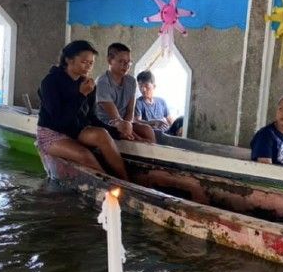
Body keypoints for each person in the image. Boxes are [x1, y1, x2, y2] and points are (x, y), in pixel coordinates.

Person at [36, 40, 128, 180]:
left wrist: (117, 132)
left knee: (102, 134)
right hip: (53, 133)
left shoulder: (87, 84)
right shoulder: (50, 82)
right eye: (84, 62)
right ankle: (109, 185)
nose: (88, 67)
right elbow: (58, 121)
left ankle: (125, 181)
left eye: (91, 63)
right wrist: (81, 95)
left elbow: (92, 118)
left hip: (75, 130)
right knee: (85, 155)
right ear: (69, 60)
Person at [95, 43, 156, 143]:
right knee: (133, 135)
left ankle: (153, 157)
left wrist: (129, 127)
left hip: (126, 123)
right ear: (110, 60)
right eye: (122, 62)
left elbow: (130, 112)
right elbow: (115, 117)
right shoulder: (102, 82)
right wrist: (138, 138)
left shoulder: (131, 81)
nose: (126, 66)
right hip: (108, 123)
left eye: (129, 63)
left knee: (147, 130)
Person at [134, 70, 184, 136]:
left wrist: (177, 129)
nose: (143, 89)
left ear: (154, 86)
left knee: (182, 119)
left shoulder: (161, 101)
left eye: (146, 86)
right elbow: (137, 121)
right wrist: (153, 122)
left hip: (166, 132)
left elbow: (170, 120)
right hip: (152, 133)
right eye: (140, 86)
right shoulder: (139, 102)